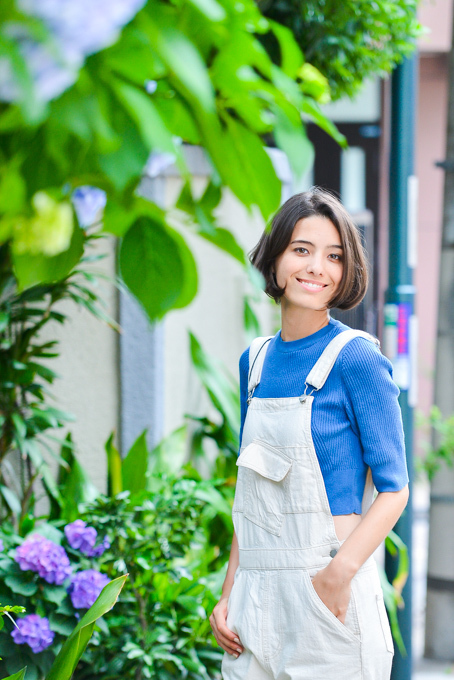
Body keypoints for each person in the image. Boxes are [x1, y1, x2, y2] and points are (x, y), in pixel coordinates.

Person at [209, 188, 409, 680]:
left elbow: (395, 489)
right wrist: (229, 592)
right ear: (275, 257)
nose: (316, 266)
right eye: (302, 249)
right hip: (252, 603)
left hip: (326, 593)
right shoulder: (253, 362)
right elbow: (251, 491)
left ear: (346, 272)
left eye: (334, 255)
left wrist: (337, 579)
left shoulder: (356, 358)